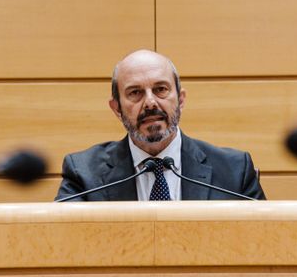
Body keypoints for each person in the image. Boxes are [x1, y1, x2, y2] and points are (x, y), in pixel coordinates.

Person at [55, 50, 265, 201]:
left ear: (181, 100)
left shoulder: (234, 170)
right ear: (116, 108)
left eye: (161, 89)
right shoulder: (83, 174)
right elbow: (62, 245)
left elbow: (266, 244)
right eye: (135, 92)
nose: (150, 102)